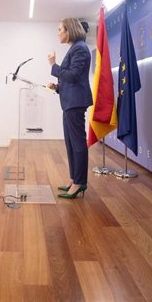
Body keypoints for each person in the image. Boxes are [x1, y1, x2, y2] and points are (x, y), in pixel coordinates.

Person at [47, 18, 93, 199]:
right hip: (69, 102)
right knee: (70, 143)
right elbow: (72, 79)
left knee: (78, 144)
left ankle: (80, 182)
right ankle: (74, 179)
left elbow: (73, 76)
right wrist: (57, 87)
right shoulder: (75, 48)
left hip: (75, 103)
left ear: (69, 31)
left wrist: (53, 66)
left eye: (60, 29)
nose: (58, 32)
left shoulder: (80, 48)